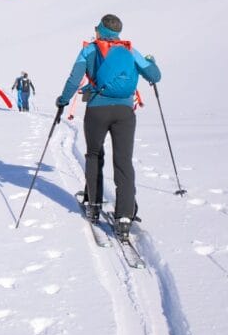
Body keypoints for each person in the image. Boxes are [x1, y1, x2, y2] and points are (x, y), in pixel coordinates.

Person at [55, 14, 161, 241]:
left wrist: (63, 100)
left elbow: (74, 79)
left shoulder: (89, 50)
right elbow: (154, 75)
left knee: (94, 155)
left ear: (100, 30)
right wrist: (152, 61)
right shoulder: (130, 51)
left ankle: (93, 205)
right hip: (125, 113)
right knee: (123, 161)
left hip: (97, 110)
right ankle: (124, 217)